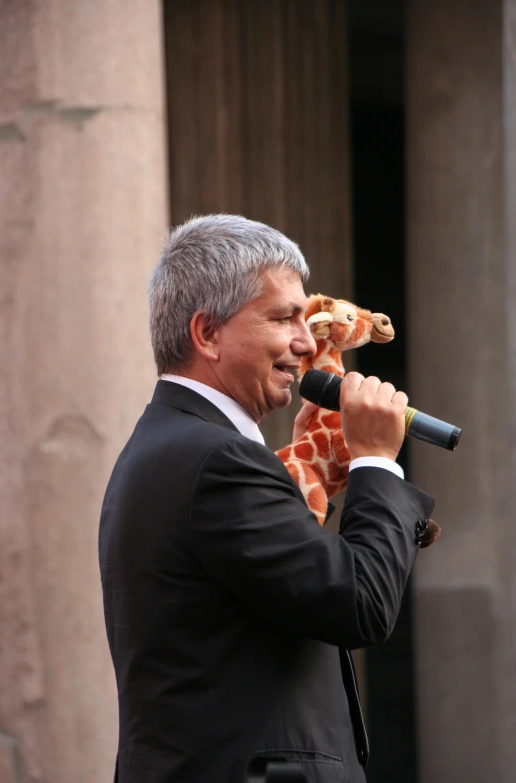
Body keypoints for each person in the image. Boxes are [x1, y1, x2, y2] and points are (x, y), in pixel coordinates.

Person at [98, 214, 435, 783]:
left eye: (306, 318)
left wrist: (317, 481)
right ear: (206, 334)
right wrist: (376, 458)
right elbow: (359, 605)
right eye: (283, 319)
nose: (306, 344)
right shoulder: (217, 461)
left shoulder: (177, 445)